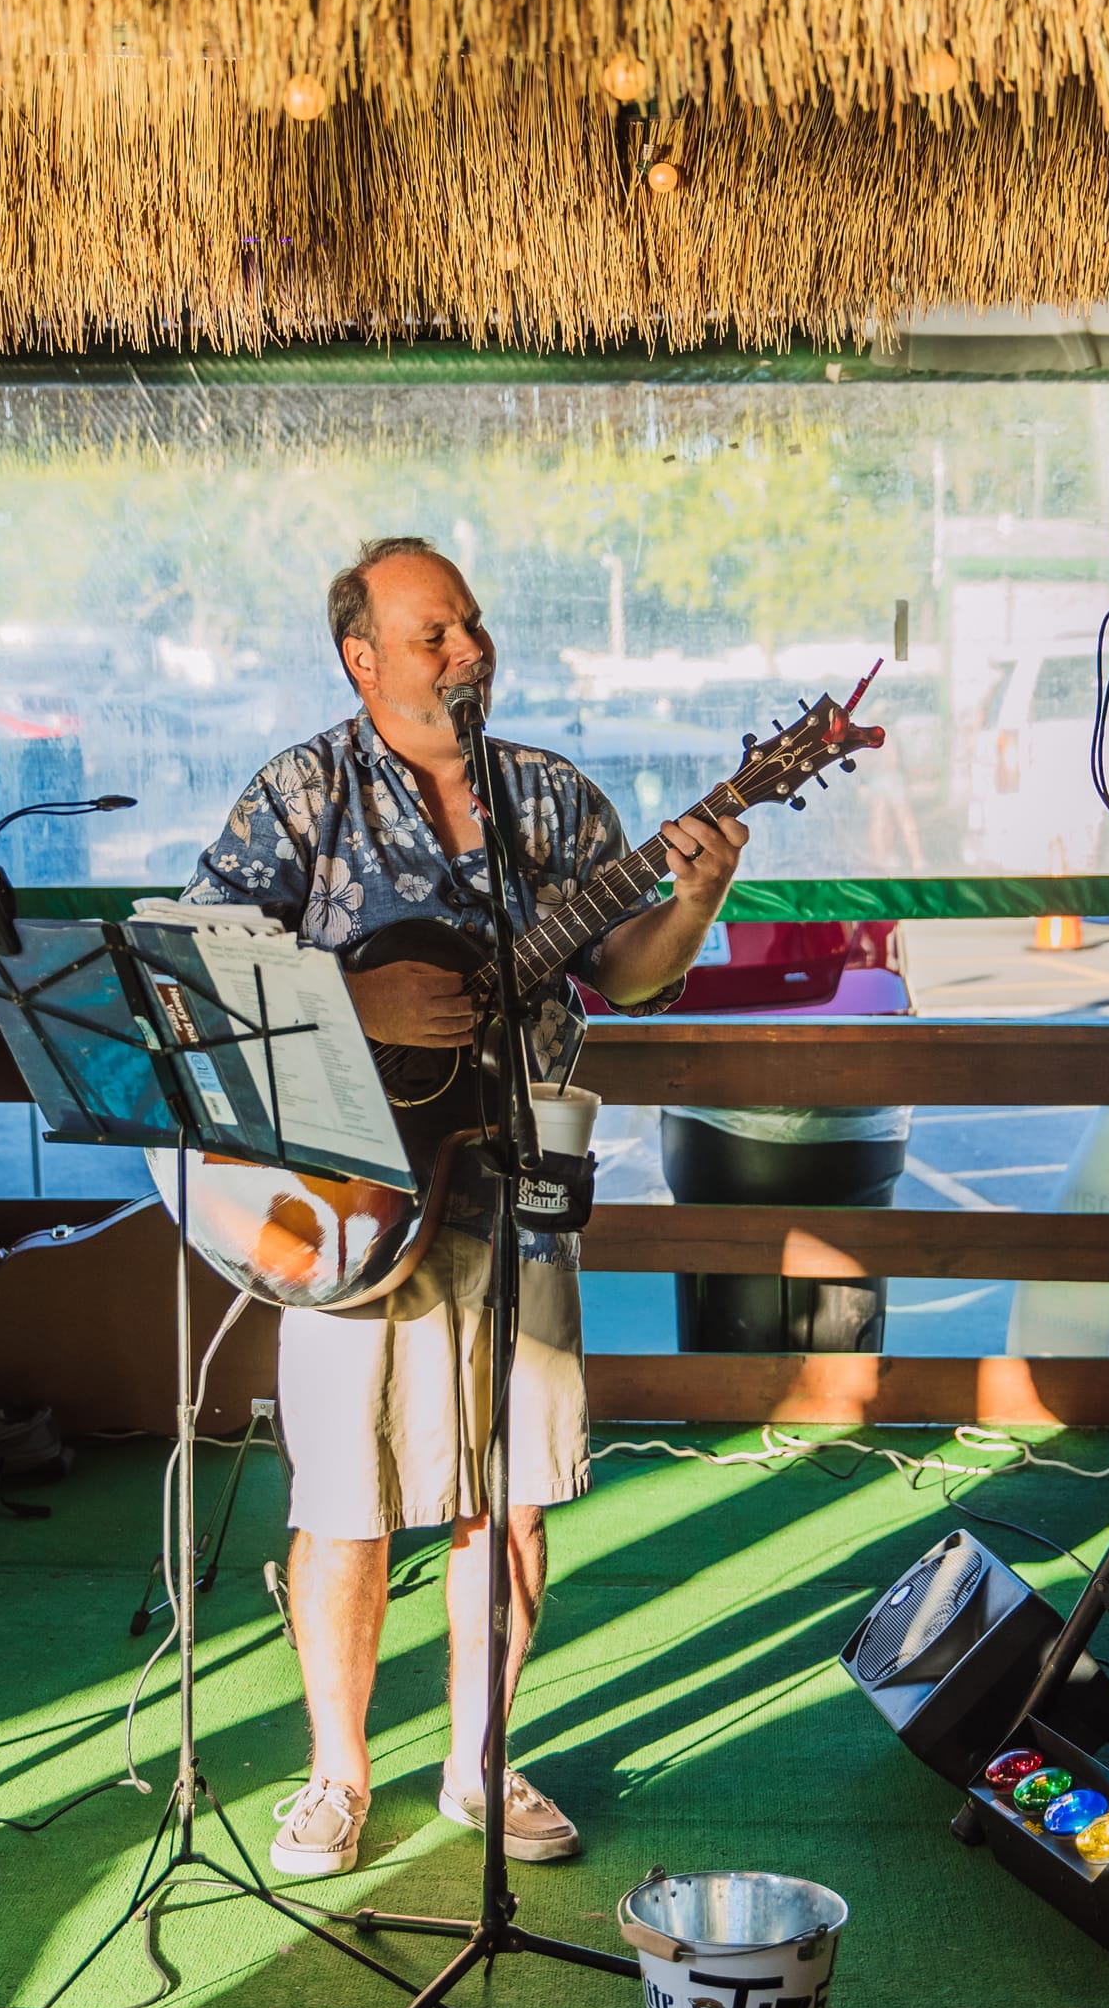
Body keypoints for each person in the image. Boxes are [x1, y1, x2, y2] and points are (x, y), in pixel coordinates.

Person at [180, 535, 746, 1879]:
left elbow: (630, 973)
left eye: (473, 625)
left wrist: (700, 893)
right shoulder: (302, 796)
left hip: (515, 1187)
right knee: (346, 1499)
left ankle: (482, 1761)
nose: (466, 649)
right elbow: (204, 977)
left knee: (517, 1495)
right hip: (350, 1207)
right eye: (433, 633)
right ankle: (335, 1775)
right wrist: (357, 996)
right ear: (360, 657)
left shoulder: (548, 798)